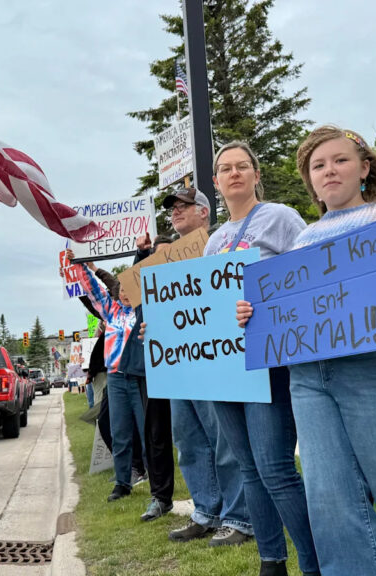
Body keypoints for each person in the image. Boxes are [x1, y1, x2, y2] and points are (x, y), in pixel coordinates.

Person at [238, 126, 376, 576]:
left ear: (364, 168)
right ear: (311, 182)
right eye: (318, 166)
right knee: (331, 504)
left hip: (375, 371)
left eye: (339, 160)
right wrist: (256, 316)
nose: (329, 171)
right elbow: (290, 316)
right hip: (308, 380)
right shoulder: (303, 241)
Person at [204, 142, 318, 576]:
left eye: (241, 167)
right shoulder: (214, 241)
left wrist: (263, 306)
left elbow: (308, 277)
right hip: (220, 369)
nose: (234, 174)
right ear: (215, 182)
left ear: (255, 174)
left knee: (275, 470)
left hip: (268, 362)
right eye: (225, 169)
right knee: (248, 470)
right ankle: (272, 562)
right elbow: (203, 308)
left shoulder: (281, 218)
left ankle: (314, 562)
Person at [153, 188, 255, 547]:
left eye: (183, 206)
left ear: (203, 213)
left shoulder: (220, 247)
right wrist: (154, 325)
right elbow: (167, 312)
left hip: (216, 360)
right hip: (180, 363)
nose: (176, 212)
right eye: (172, 209)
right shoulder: (164, 262)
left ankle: (239, 516)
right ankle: (206, 511)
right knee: (188, 439)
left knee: (224, 440)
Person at [72, 251, 146, 502]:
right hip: (115, 377)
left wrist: (142, 253)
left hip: (139, 377)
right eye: (120, 289)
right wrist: (81, 266)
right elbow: (94, 290)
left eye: (128, 289)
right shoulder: (111, 311)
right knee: (119, 431)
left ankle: (156, 479)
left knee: (148, 430)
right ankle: (123, 482)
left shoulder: (143, 313)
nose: (124, 293)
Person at [120, 234, 176, 522]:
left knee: (197, 436)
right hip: (151, 367)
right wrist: (141, 255)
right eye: (158, 257)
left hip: (188, 364)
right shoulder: (146, 288)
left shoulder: (187, 283)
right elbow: (133, 282)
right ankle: (161, 497)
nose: (164, 262)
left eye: (170, 256)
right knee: (156, 435)